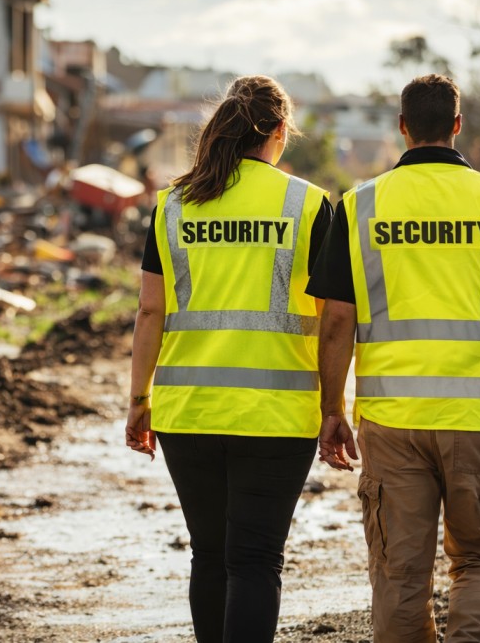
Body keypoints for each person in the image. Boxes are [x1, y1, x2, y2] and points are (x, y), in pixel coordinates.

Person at [307, 73, 480, 642]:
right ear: (457, 125)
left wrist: (332, 410)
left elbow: (338, 320)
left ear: (402, 127)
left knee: (400, 575)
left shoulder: (359, 206)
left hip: (394, 422)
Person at [125, 75, 334, 643]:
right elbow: (335, 317)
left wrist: (139, 399)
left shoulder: (172, 204)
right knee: (256, 559)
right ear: (279, 131)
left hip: (187, 411)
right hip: (278, 414)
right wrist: (337, 407)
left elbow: (150, 312)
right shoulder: (308, 204)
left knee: (210, 555)